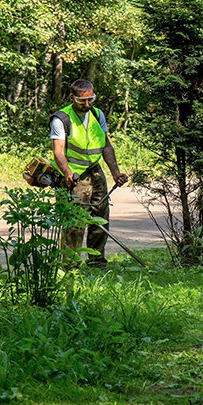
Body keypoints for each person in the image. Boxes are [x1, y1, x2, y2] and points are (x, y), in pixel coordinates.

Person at [50, 79, 128, 268]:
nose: (87, 104)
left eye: (90, 100)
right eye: (82, 101)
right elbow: (58, 152)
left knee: (100, 218)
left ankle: (97, 263)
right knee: (75, 223)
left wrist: (115, 172)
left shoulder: (97, 113)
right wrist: (68, 173)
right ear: (72, 98)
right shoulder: (61, 119)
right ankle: (70, 267)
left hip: (95, 172)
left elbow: (106, 146)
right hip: (75, 177)